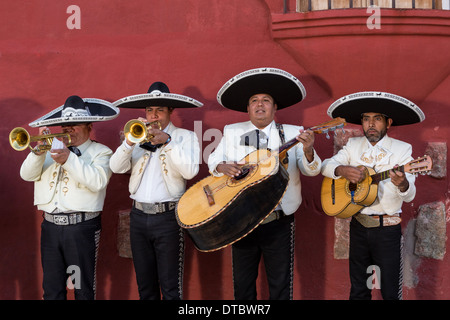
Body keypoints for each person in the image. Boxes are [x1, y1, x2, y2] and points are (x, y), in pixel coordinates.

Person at [208, 67, 322, 300]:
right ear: (248, 107)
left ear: (275, 107)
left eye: (266, 100)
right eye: (254, 101)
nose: (260, 105)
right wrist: (221, 167)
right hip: (241, 219)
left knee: (280, 285)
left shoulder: (293, 133)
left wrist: (309, 150)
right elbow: (213, 159)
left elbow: (312, 170)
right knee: (243, 284)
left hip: (279, 220)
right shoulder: (231, 131)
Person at [321, 91, 426, 300]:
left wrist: (403, 183)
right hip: (358, 227)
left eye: (377, 119)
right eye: (366, 119)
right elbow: (325, 166)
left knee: (389, 291)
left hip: (387, 230)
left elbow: (409, 195)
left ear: (388, 122)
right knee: (359, 290)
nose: (371, 124)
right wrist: (342, 170)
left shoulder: (402, 150)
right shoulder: (353, 145)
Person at [19, 95, 119, 299]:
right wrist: (37, 153)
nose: (68, 129)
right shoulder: (50, 150)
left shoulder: (102, 152)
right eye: (65, 125)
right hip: (50, 228)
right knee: (52, 290)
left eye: (74, 125)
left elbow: (97, 181)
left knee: (82, 290)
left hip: (81, 229)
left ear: (89, 126)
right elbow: (26, 175)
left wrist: (68, 159)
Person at [109, 81, 202, 300]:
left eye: (159, 109)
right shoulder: (137, 136)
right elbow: (116, 167)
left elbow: (190, 172)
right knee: (145, 286)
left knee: (171, 288)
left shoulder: (185, 136)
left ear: (171, 110)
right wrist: (129, 142)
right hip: (138, 217)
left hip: (169, 217)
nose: (154, 115)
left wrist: (168, 142)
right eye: (150, 110)